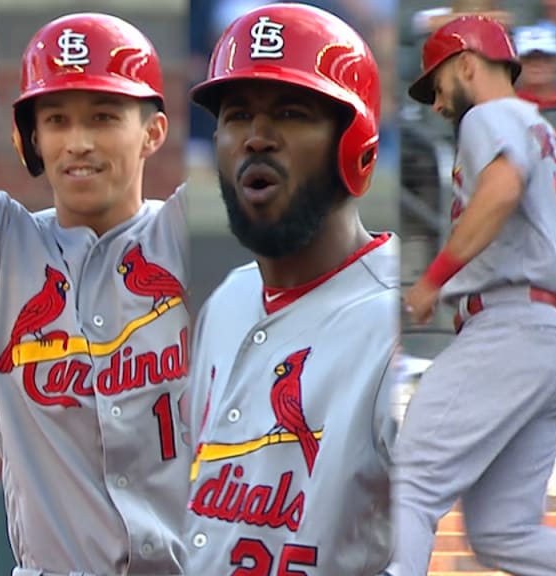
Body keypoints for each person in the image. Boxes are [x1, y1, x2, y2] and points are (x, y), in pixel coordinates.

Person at [395, 14, 556, 576]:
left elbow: (503, 188)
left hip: (507, 325)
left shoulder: (489, 115)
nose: (434, 103)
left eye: (436, 84)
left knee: (407, 477)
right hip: (550, 341)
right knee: (503, 532)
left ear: (467, 64)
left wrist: (433, 279)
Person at [183, 3, 399, 574]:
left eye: (291, 111)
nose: (257, 138)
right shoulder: (227, 301)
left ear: (355, 148)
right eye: (236, 115)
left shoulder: (403, 324)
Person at [0, 12, 189, 576]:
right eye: (55, 120)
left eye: (103, 117)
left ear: (153, 132)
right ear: (32, 138)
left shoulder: (182, 233)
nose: (77, 142)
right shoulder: (3, 250)